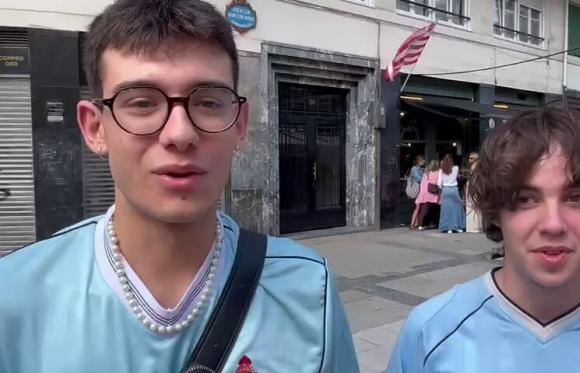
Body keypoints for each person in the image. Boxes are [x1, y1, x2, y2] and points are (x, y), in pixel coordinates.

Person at [0, 1, 358, 372]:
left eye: (207, 102)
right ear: (95, 128)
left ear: (239, 124)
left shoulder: (307, 288)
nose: (181, 133)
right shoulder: (14, 295)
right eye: (141, 103)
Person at [389, 106, 580, 373]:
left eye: (575, 198)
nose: (553, 224)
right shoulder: (429, 334)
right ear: (496, 212)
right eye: (526, 199)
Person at [438, 154, 465, 233]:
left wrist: (441, 188)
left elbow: (439, 183)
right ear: (452, 161)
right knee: (457, 208)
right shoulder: (456, 168)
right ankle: (456, 227)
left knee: (446, 209)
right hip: (453, 189)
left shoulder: (441, 170)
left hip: (445, 189)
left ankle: (447, 228)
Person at [414, 160, 441, 231]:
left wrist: (421, 195)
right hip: (434, 192)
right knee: (434, 209)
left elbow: (423, 184)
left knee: (424, 209)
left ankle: (421, 224)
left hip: (426, 192)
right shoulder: (439, 172)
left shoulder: (426, 173)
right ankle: (433, 223)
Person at [465, 151, 482, 233]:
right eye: (469, 158)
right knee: (475, 207)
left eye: (471, 158)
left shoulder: (475, 167)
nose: (469, 160)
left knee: (472, 206)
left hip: (473, 187)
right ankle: (476, 226)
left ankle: (473, 227)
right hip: (474, 187)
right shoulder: (478, 167)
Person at [408, 155, 425, 229]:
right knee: (417, 207)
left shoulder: (421, 169)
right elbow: (418, 179)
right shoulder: (414, 169)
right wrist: (425, 177)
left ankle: (416, 223)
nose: (424, 161)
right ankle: (412, 224)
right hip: (416, 189)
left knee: (418, 206)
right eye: (423, 160)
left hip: (420, 190)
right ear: (419, 161)